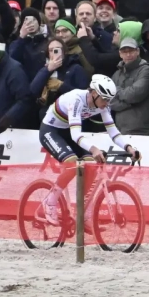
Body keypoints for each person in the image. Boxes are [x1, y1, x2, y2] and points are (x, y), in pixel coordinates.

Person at [38, 75, 140, 224]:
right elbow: (76, 135)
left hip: (67, 132)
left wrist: (129, 148)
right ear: (93, 93)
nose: (106, 103)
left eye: (109, 100)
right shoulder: (77, 100)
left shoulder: (102, 104)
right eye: (104, 99)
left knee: (91, 164)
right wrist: (94, 149)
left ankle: (81, 212)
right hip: (51, 130)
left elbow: (113, 132)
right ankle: (49, 202)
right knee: (72, 163)